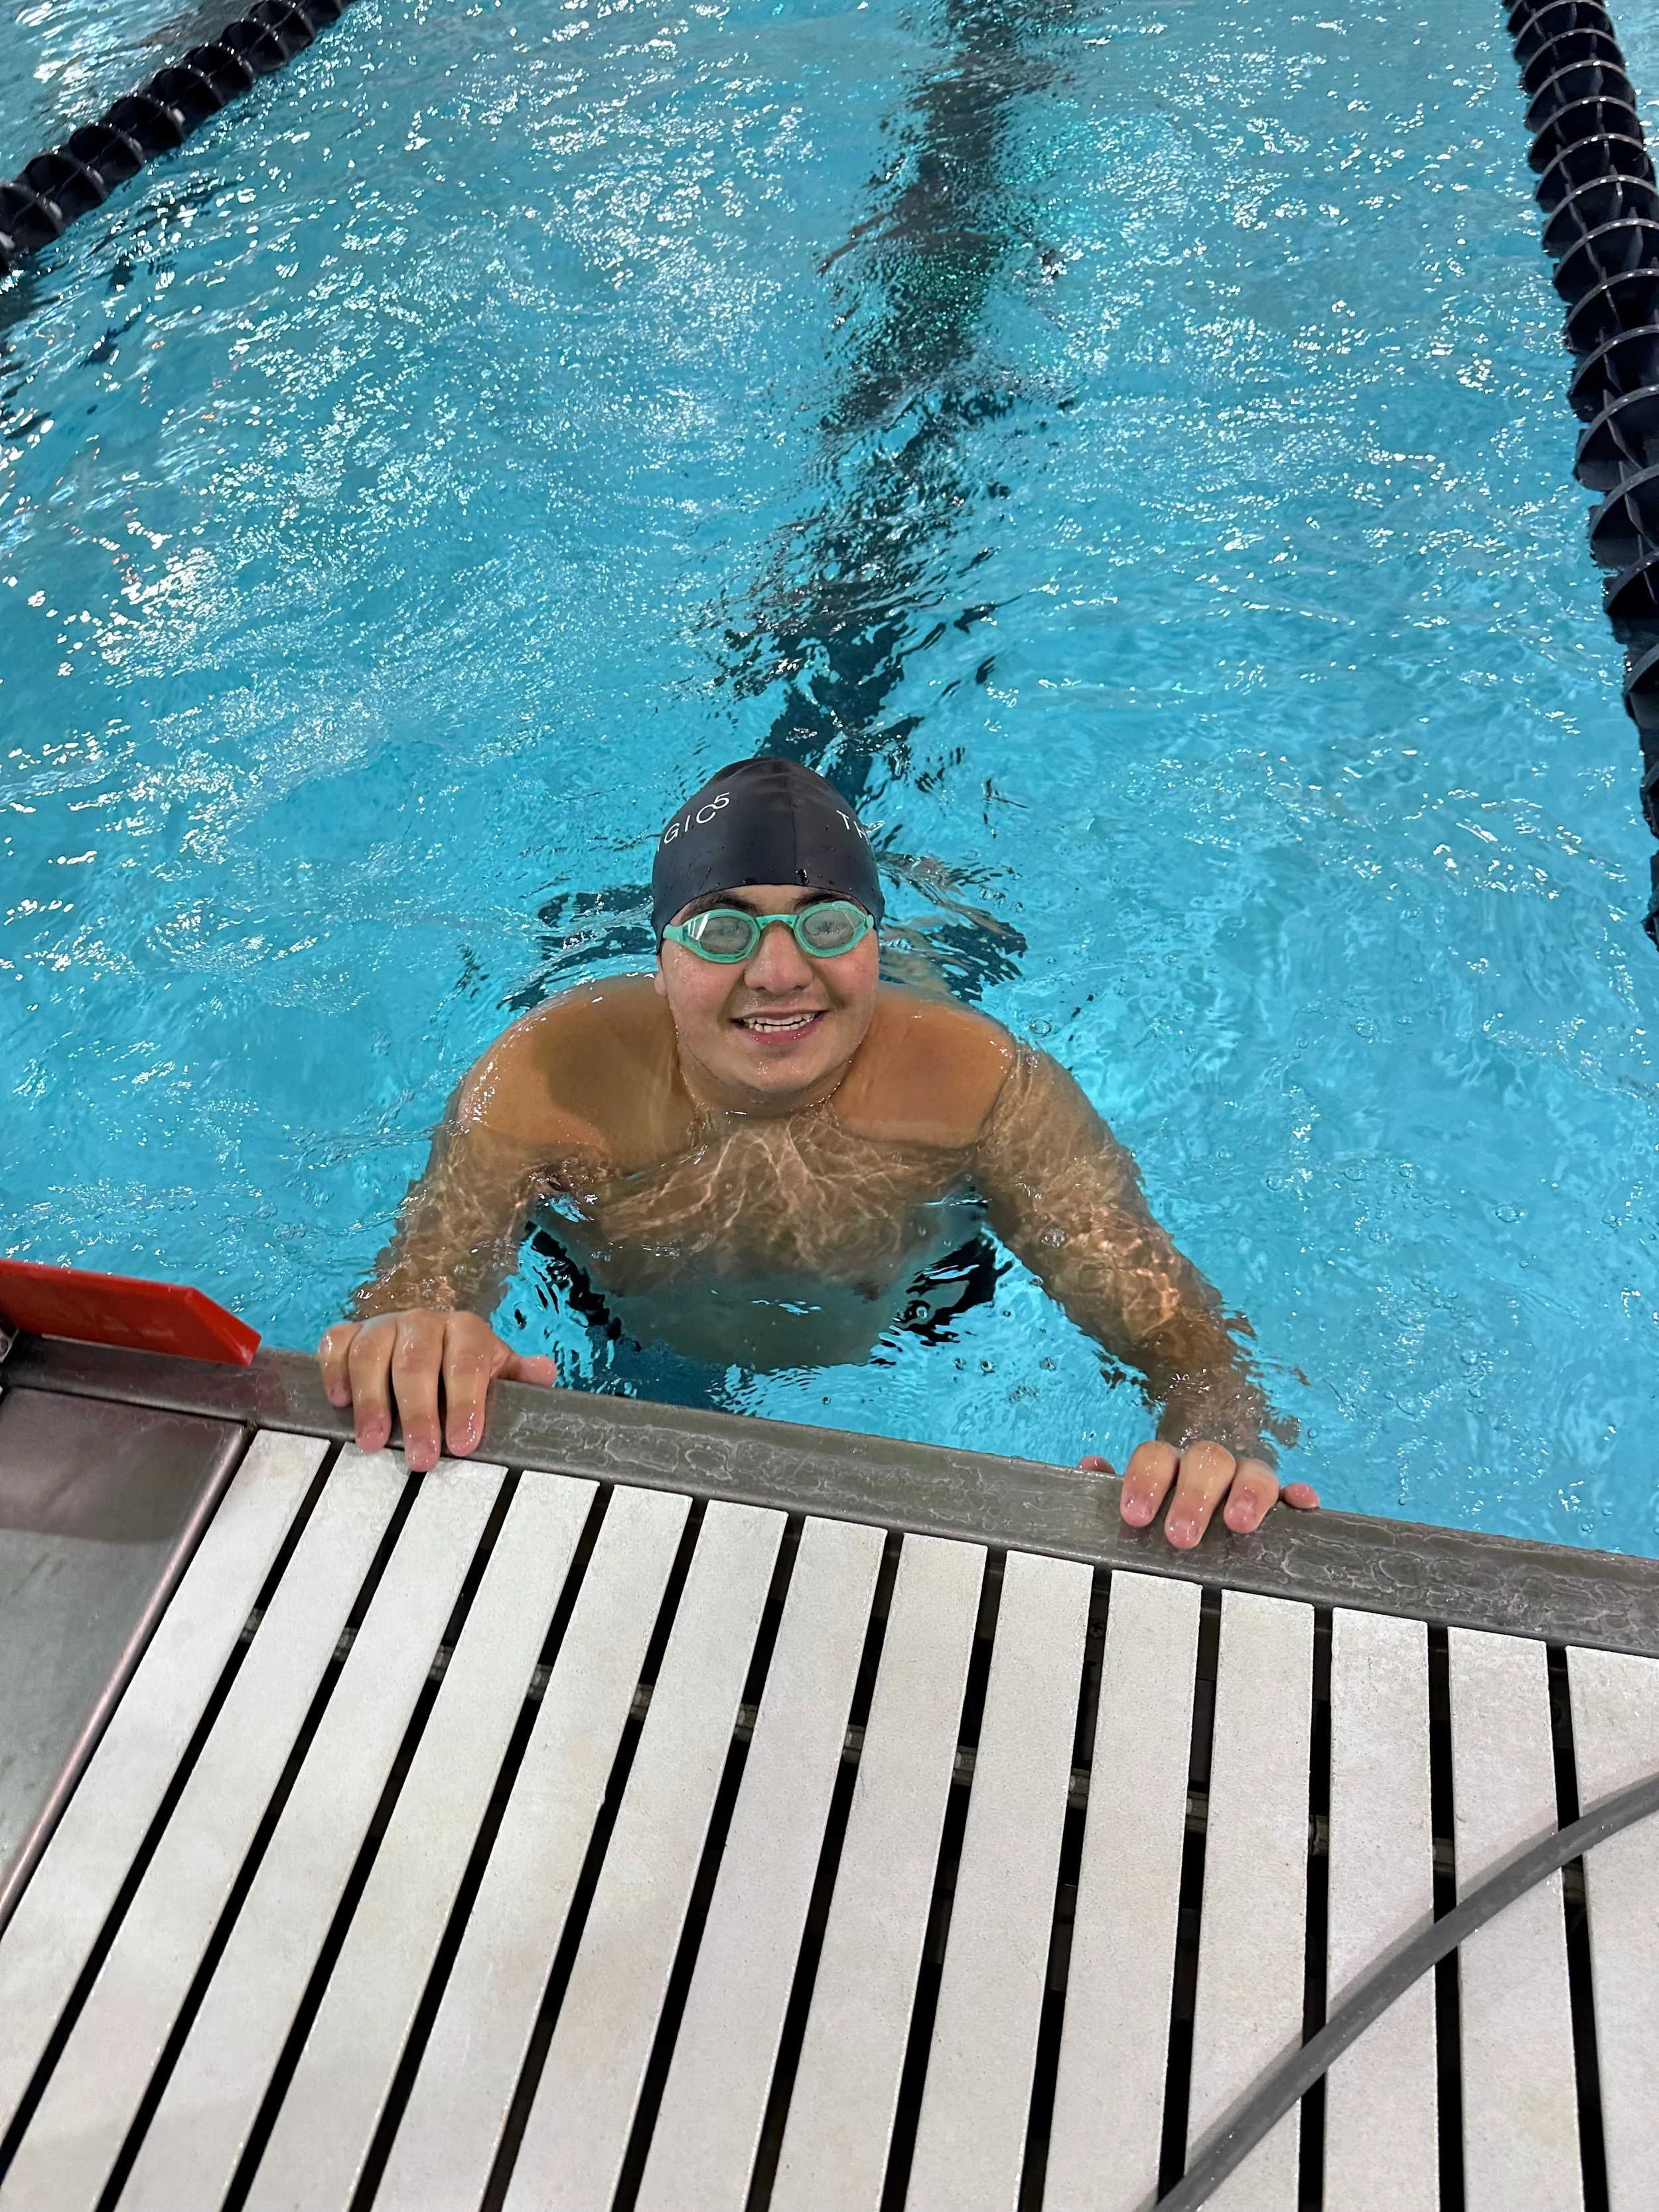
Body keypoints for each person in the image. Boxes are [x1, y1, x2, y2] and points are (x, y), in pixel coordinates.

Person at [319, 757, 1316, 1549]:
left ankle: (937, 916)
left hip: (910, 1301)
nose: (780, 973)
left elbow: (1188, 1346)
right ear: (658, 961)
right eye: (722, 932)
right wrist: (418, 1340)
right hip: (610, 1313)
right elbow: (412, 1299)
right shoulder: (542, 1082)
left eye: (827, 926)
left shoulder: (986, 1090)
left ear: (871, 943)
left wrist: (1211, 1446)